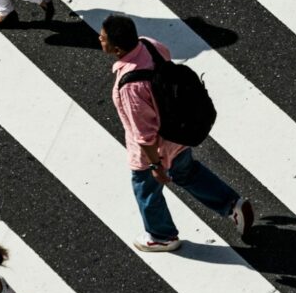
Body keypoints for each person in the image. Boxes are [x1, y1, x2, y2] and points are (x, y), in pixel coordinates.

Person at [100, 14, 253, 251]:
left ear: (117, 48)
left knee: (146, 189)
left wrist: (155, 166)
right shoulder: (149, 44)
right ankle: (232, 204)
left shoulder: (131, 86)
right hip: (177, 132)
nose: (100, 39)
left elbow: (145, 134)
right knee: (187, 172)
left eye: (103, 38)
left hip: (155, 149)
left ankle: (162, 236)